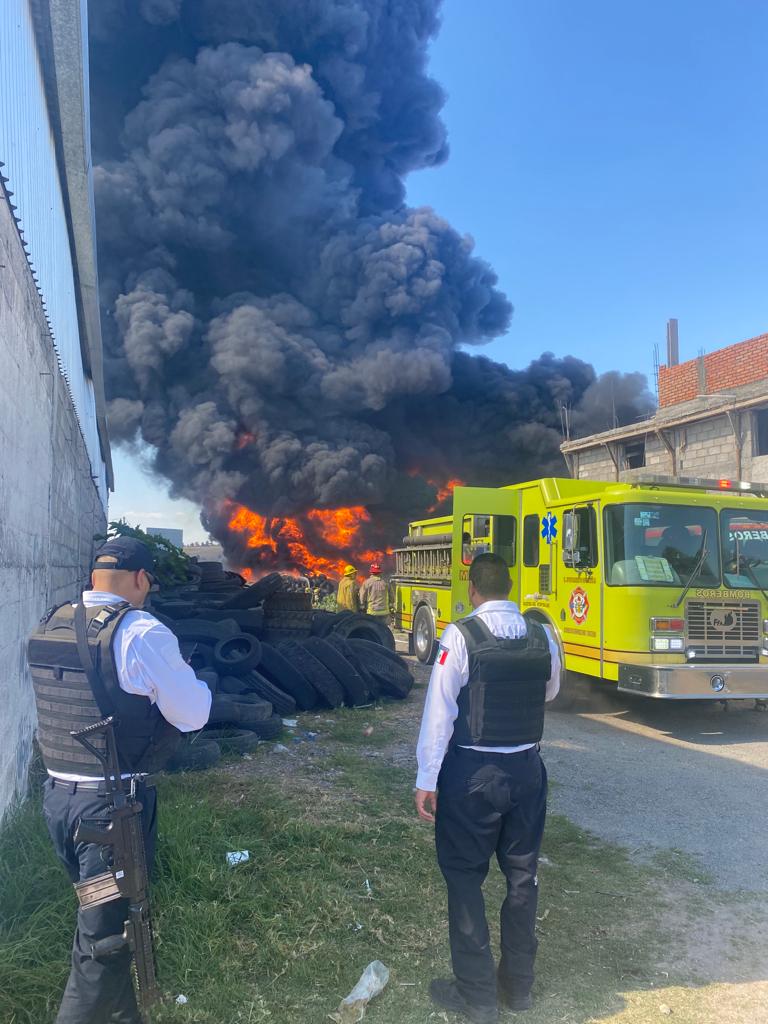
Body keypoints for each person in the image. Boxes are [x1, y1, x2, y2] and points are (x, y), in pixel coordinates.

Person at [27, 537, 212, 1024]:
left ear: (94, 577)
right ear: (140, 578)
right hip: (110, 821)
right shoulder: (141, 632)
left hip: (61, 808)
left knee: (106, 918)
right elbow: (193, 714)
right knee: (103, 943)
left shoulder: (53, 621)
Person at [414, 553, 561, 1023]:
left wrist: (426, 779)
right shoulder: (542, 633)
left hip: (473, 775)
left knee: (464, 878)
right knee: (522, 876)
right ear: (511, 586)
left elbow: (440, 713)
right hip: (526, 771)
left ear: (473, 589)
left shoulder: (460, 636)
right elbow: (550, 691)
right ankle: (518, 988)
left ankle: (477, 998)